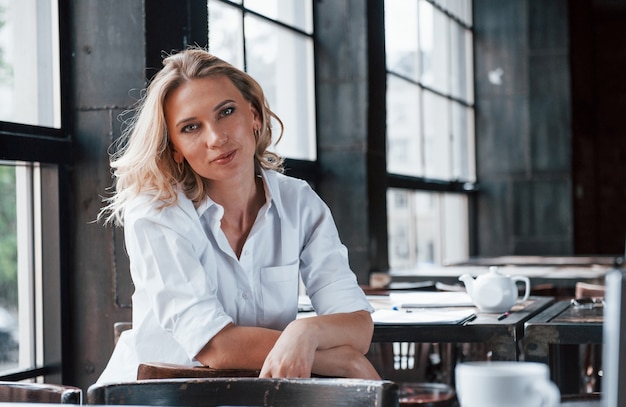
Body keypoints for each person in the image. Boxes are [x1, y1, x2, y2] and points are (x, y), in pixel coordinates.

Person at [96, 47, 380, 383]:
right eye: (190, 128)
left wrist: (304, 334)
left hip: (255, 393)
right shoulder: (156, 213)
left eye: (226, 112)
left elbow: (357, 326)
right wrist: (341, 363)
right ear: (175, 149)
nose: (216, 138)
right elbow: (215, 346)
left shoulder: (299, 202)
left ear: (254, 116)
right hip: (158, 396)